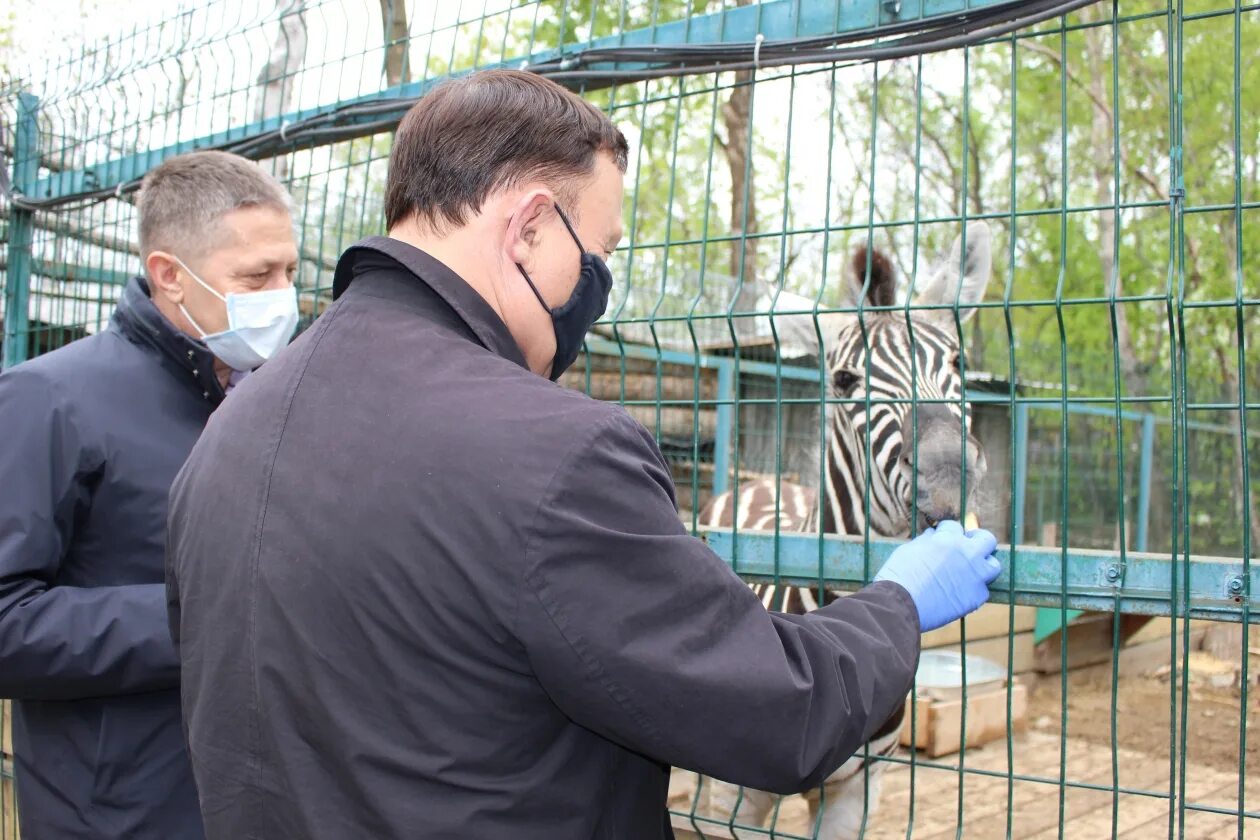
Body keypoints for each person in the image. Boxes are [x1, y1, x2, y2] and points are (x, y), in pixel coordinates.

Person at [165, 70, 1000, 840]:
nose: (597, 286)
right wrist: (898, 602)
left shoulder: (226, 436)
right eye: (597, 254)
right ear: (528, 226)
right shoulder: (559, 454)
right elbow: (780, 714)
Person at [0, 149, 299, 839]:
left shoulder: (275, 398)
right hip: (120, 812)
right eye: (257, 275)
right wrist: (202, 619)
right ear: (170, 275)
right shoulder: (48, 402)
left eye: (288, 270)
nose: (282, 293)